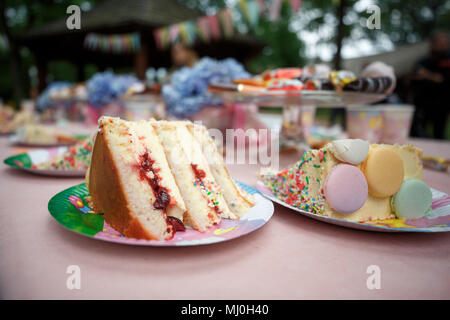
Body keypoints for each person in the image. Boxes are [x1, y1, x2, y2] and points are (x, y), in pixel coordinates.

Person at [411, 31, 450, 139]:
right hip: (423, 103)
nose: (443, 45)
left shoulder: (447, 59)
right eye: (439, 42)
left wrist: (426, 74)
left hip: (442, 103)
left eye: (445, 42)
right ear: (432, 43)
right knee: (418, 132)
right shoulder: (423, 61)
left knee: (439, 132)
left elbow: (443, 79)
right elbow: (413, 77)